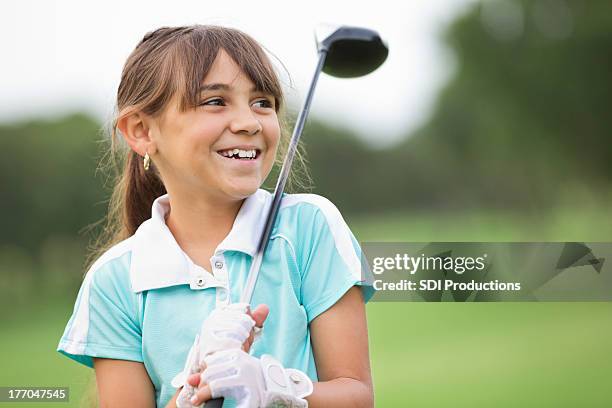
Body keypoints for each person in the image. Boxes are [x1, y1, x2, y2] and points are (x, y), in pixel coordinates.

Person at [57, 24, 375, 408]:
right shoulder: (113, 280)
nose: (250, 122)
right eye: (215, 102)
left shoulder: (308, 226)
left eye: (263, 102)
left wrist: (276, 388)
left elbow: (356, 395)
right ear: (141, 131)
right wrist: (194, 386)